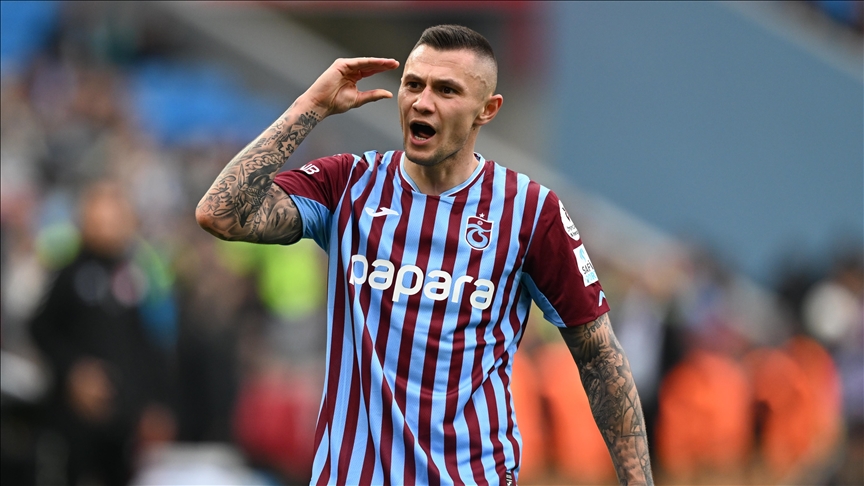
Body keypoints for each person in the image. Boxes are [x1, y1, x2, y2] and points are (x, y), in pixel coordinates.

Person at [197, 25, 653, 485]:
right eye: (413, 84)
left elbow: (599, 358)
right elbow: (219, 213)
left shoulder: (531, 212)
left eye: (446, 90)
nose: (422, 102)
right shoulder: (347, 184)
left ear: (487, 109)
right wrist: (310, 107)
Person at [30, 181, 174, 486]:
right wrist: (74, 371)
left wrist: (154, 402)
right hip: (76, 416)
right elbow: (41, 329)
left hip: (125, 417)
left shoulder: (138, 274)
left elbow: (151, 342)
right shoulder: (70, 274)